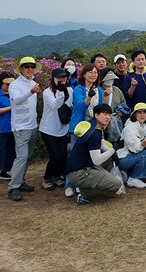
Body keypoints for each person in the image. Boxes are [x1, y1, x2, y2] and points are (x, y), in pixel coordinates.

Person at [66, 104, 122, 205]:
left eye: (109, 114)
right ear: (96, 115)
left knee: (109, 158)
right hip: (79, 173)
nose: (108, 117)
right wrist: (114, 149)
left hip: (83, 167)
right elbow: (97, 161)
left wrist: (113, 153)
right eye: (104, 114)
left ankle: (93, 182)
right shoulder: (93, 133)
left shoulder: (94, 127)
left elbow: (102, 146)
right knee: (116, 186)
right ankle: (82, 191)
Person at [7, 57, 41, 201]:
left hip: (32, 125)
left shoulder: (33, 82)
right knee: (21, 156)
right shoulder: (14, 85)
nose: (30, 69)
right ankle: (13, 187)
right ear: (21, 69)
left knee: (28, 156)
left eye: (32, 66)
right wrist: (30, 92)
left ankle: (20, 181)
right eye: (26, 66)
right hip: (20, 126)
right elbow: (17, 100)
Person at [66, 63, 103, 197]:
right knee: (75, 157)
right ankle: (69, 185)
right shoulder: (78, 89)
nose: (93, 75)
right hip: (79, 128)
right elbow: (81, 106)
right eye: (90, 72)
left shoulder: (99, 90)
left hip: (92, 128)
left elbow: (100, 110)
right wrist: (89, 96)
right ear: (84, 74)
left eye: (95, 72)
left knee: (91, 156)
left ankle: (85, 184)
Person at [39, 68, 72, 190]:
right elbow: (56, 105)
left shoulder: (70, 90)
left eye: (63, 77)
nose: (61, 80)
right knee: (55, 155)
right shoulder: (47, 92)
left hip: (62, 128)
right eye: (58, 78)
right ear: (53, 79)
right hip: (48, 129)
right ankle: (47, 177)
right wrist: (60, 91)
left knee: (62, 155)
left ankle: (58, 176)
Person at [117, 102, 146, 188]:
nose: (142, 115)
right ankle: (133, 179)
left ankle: (126, 174)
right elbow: (134, 149)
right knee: (145, 154)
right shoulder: (130, 128)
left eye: (144, 112)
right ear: (135, 115)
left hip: (132, 157)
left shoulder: (143, 126)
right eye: (139, 112)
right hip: (123, 158)